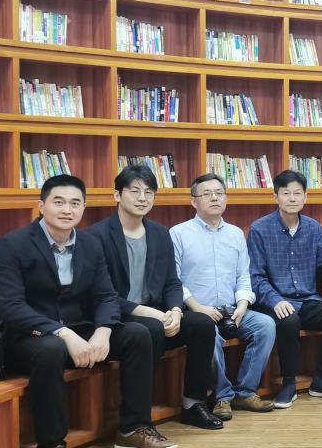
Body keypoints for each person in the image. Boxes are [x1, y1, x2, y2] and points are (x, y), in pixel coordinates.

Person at [0, 174, 177, 448]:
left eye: (75, 203)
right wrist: (62, 333)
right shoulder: (14, 244)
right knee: (51, 349)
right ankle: (51, 447)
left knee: (137, 334)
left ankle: (133, 428)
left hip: (82, 329)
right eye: (59, 202)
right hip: (33, 336)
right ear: (41, 205)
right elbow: (10, 306)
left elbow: (105, 296)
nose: (67, 210)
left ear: (83, 208)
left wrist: (104, 330)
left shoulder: (90, 244)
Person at [89, 165, 222, 431]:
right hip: (120, 317)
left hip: (159, 314)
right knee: (149, 329)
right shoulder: (96, 236)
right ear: (117, 195)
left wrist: (175, 310)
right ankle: (138, 419)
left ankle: (193, 403)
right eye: (134, 191)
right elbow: (102, 295)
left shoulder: (160, 233)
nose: (142, 198)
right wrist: (156, 315)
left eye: (149, 192)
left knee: (202, 324)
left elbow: (172, 281)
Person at [172, 173, 278, 416]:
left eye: (219, 193)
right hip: (197, 312)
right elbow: (174, 281)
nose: (214, 198)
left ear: (226, 198)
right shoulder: (178, 233)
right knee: (209, 335)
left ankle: (245, 392)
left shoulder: (235, 234)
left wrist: (243, 305)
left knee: (265, 325)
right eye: (207, 194)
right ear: (193, 201)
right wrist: (198, 308)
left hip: (232, 309)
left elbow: (243, 276)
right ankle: (222, 397)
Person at [247, 169, 322, 402]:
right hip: (276, 301)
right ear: (276, 197)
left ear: (305, 197)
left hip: (307, 300)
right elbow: (256, 276)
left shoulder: (313, 227)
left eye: (297, 193)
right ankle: (289, 384)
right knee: (288, 320)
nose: (292, 198)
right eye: (286, 193)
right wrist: (275, 300)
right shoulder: (259, 229)